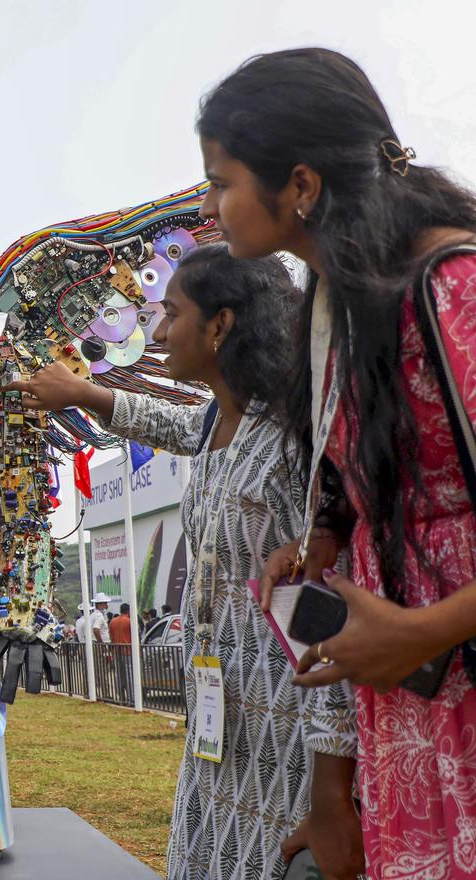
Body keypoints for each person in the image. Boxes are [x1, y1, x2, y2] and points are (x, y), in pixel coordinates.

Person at [203, 47, 476, 880]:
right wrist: (330, 534)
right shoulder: (336, 304)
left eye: (220, 180)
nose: (212, 205)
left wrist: (423, 631)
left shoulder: (452, 285)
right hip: (410, 694)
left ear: (300, 185)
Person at [9, 243, 353, 880]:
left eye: (170, 313)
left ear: (221, 325)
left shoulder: (289, 436)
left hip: (291, 740)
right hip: (218, 730)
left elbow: (330, 623)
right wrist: (84, 393)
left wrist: (332, 793)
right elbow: (163, 422)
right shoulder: (213, 422)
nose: (158, 333)